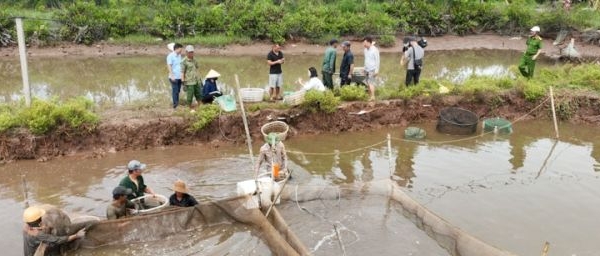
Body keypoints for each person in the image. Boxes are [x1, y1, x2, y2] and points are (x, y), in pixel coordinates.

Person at [23, 206, 87, 256]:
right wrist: (76, 235)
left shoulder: (26, 227)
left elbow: (38, 229)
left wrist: (44, 227)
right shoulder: (39, 235)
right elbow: (58, 240)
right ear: (39, 220)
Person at [181, 45, 202, 112]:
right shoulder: (183, 61)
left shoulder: (194, 60)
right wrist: (183, 83)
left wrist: (200, 79)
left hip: (196, 80)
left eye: (192, 52)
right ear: (186, 52)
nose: (191, 53)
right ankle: (188, 107)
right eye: (190, 52)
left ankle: (200, 106)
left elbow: (197, 69)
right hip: (189, 81)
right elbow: (182, 72)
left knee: (198, 94)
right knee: (190, 95)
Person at [363, 36, 380, 101]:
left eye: (365, 43)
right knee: (367, 83)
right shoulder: (365, 50)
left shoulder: (375, 50)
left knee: (371, 83)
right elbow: (366, 59)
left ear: (369, 42)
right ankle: (370, 96)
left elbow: (377, 60)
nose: (363, 44)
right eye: (363, 43)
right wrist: (364, 68)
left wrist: (376, 70)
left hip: (372, 69)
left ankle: (373, 96)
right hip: (367, 69)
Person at [167, 43, 183, 109]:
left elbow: (180, 65)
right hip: (174, 77)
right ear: (176, 49)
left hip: (179, 77)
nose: (181, 51)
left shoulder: (179, 55)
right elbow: (169, 66)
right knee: (175, 91)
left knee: (178, 91)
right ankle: (175, 106)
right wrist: (172, 75)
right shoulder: (170, 56)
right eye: (180, 49)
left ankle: (177, 103)